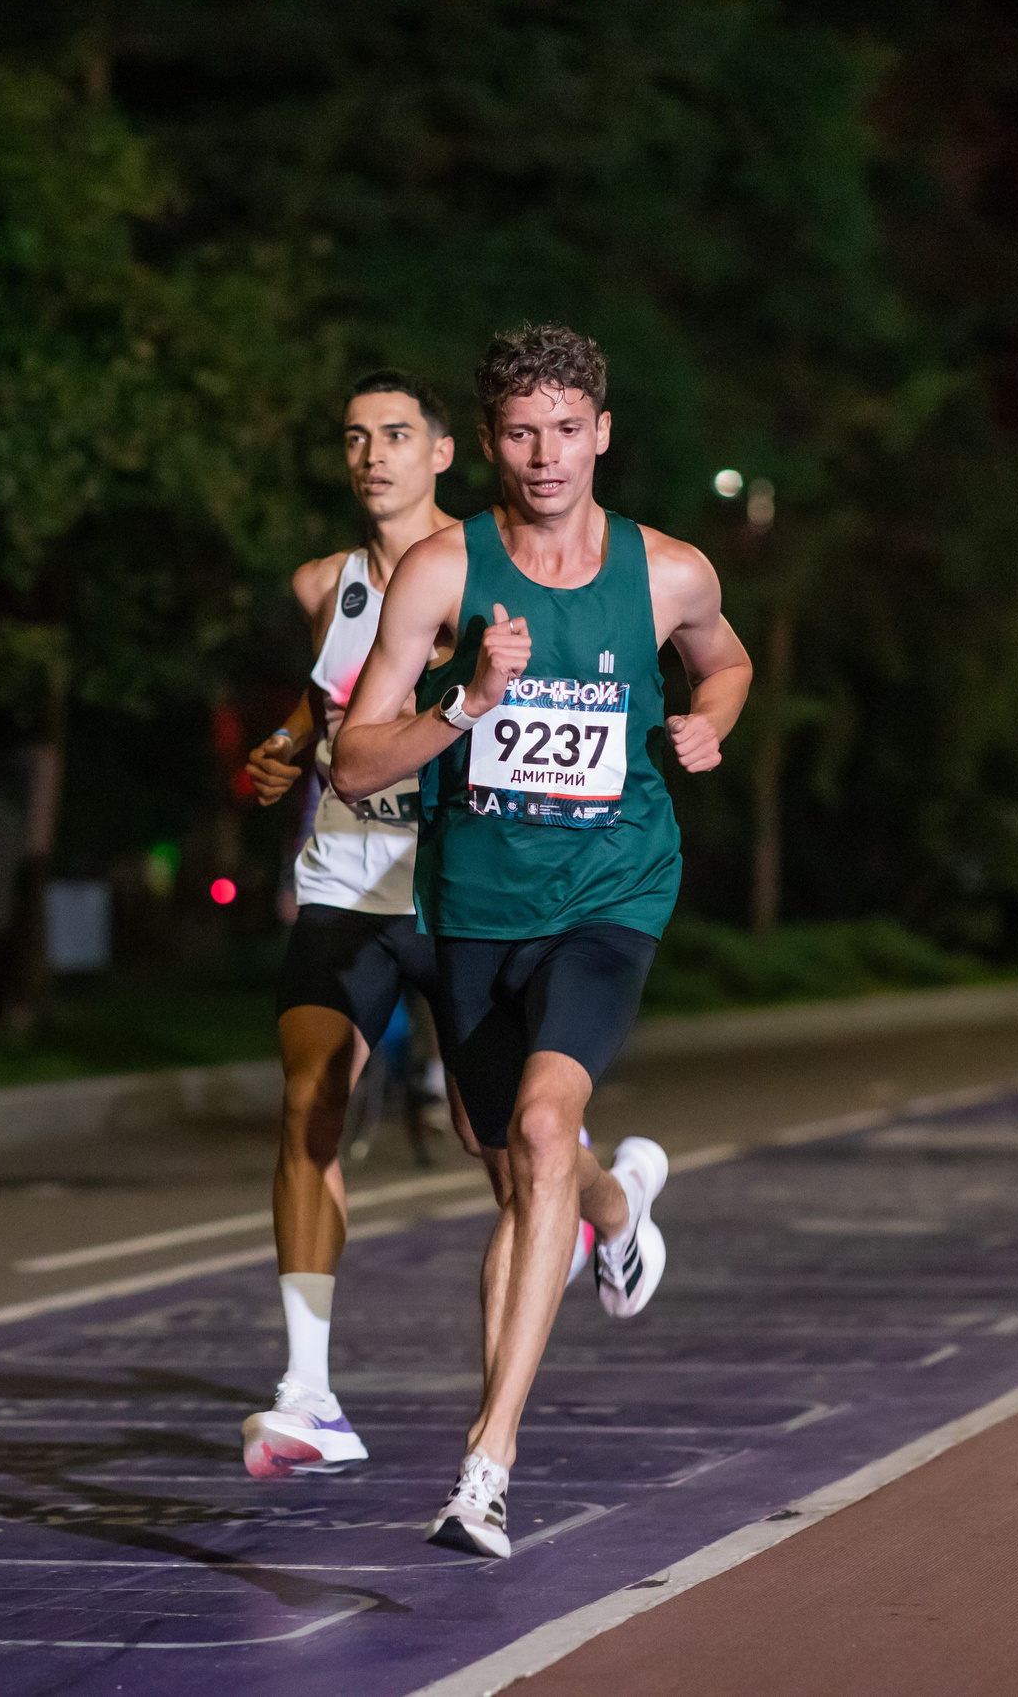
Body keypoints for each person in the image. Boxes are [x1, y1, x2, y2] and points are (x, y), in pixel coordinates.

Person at [333, 323, 753, 1557]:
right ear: (490, 441)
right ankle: (616, 1212)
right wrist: (467, 703)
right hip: (473, 904)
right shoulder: (442, 577)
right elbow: (357, 763)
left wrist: (708, 725)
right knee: (516, 1167)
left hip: (611, 892)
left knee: (538, 1128)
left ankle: (486, 1467)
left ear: (603, 434)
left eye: (568, 429)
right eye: (521, 431)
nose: (545, 454)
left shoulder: (668, 573)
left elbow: (724, 666)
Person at [233, 371, 470, 1479]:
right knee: (306, 1106)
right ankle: (308, 1392)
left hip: (467, 890)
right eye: (354, 439)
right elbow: (329, 693)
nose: (372, 454)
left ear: (442, 453)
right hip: (344, 881)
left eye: (395, 435)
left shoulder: (490, 573)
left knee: (505, 1143)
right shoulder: (324, 582)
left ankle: (613, 1210)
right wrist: (286, 746)